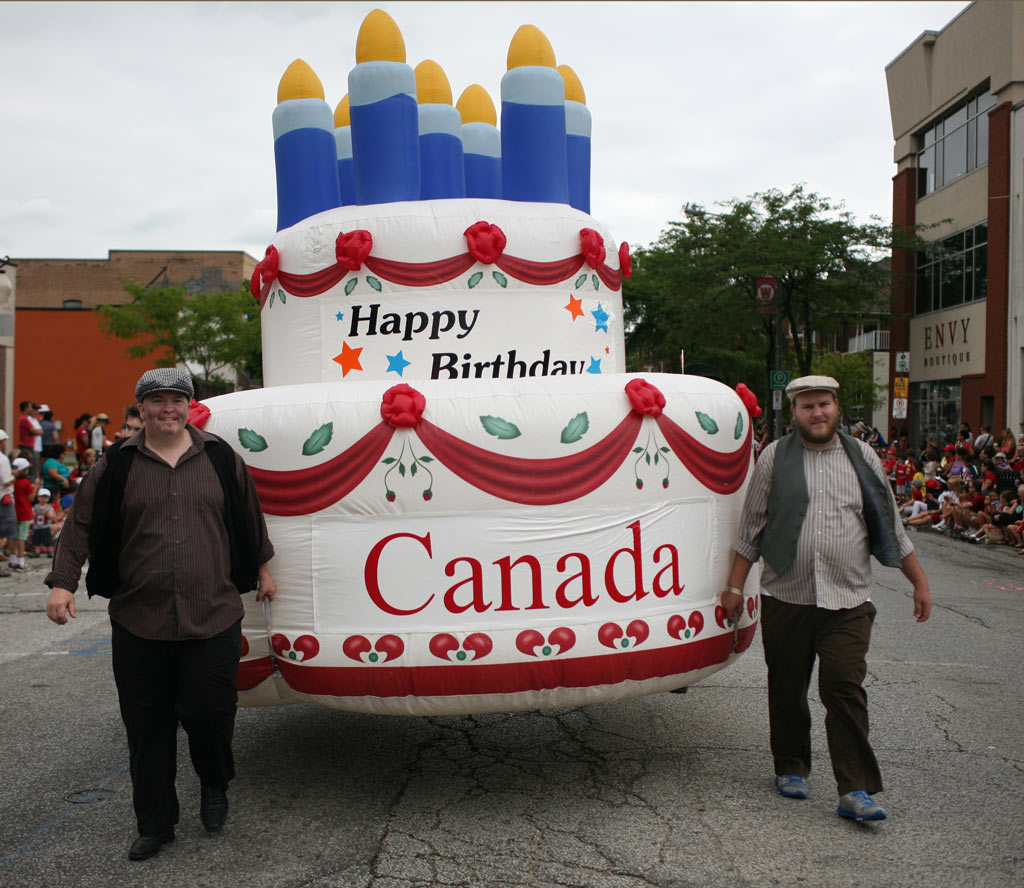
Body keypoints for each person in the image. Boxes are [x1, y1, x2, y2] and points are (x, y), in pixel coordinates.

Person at [45, 368, 277, 861]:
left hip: (212, 614)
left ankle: (214, 783)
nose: (167, 408)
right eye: (157, 400)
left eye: (177, 399)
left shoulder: (220, 457)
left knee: (210, 714)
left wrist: (263, 569)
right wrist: (63, 582)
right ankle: (155, 824)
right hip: (139, 619)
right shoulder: (117, 464)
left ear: (189, 407)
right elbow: (79, 523)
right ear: (142, 408)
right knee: (146, 726)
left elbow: (247, 515)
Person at [721, 375, 931, 822]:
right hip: (787, 597)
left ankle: (855, 788)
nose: (817, 413)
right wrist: (735, 587)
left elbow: (890, 525)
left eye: (824, 404)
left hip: (848, 599)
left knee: (843, 687)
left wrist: (919, 582)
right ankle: (791, 765)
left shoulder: (863, 456)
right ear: (794, 413)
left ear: (837, 407)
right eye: (808, 406)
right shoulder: (774, 457)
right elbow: (751, 529)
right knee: (787, 687)